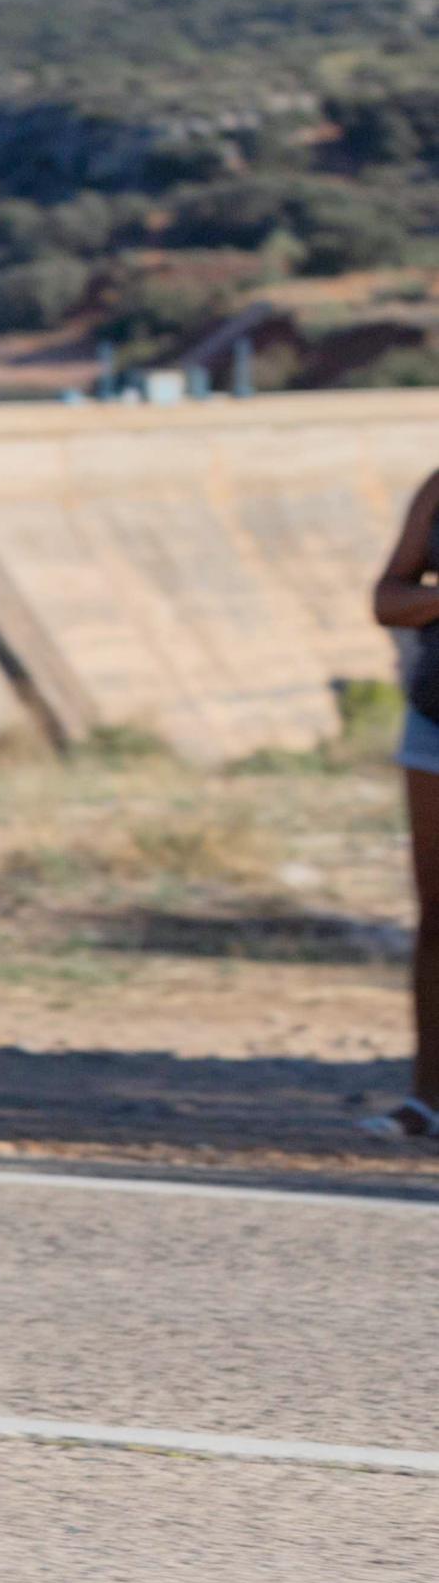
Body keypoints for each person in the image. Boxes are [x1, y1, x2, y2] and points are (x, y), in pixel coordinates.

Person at [362, 465, 439, 1139]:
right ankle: (425, 1101)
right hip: (433, 722)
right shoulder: (437, 487)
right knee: (435, 917)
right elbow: (387, 599)